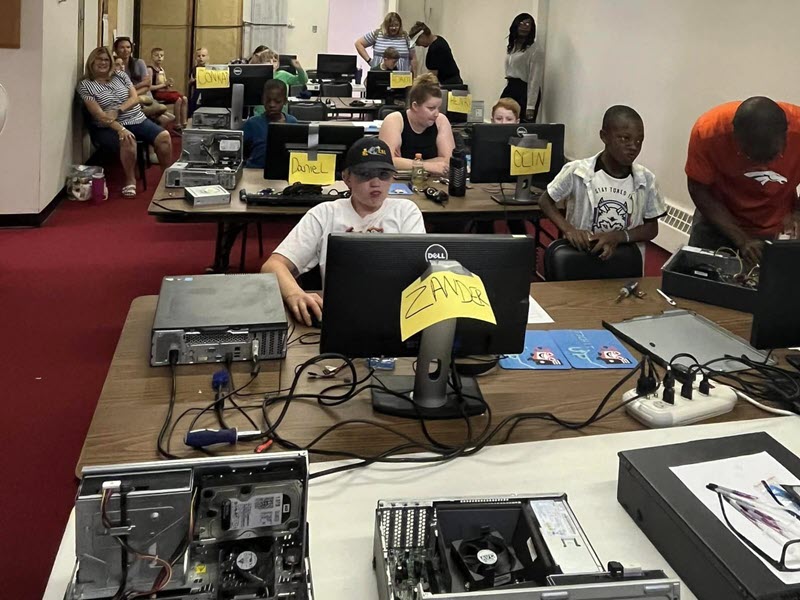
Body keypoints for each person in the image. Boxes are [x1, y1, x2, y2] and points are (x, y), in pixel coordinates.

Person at [261, 137, 426, 325]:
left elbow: (419, 270)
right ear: (347, 178)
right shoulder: (325, 214)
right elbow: (272, 266)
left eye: (384, 174)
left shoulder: (406, 211)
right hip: (339, 315)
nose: (376, 182)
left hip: (396, 313)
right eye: (365, 174)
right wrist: (294, 294)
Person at [538, 105, 666, 262]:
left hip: (624, 260)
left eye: (639, 141)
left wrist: (618, 236)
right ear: (604, 136)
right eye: (625, 139)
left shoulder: (646, 179)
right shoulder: (577, 171)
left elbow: (651, 228)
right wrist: (569, 229)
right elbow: (545, 201)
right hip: (581, 256)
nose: (633, 146)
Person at [686, 97, 800, 264]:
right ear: (735, 137)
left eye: (772, 156)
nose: (763, 167)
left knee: (776, 284)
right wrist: (742, 239)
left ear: (786, 135)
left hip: (777, 221)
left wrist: (797, 213)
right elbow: (698, 189)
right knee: (700, 280)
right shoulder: (708, 131)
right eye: (750, 156)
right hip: (719, 220)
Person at [77, 47, 172, 198]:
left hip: (136, 118)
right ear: (91, 61)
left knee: (164, 136)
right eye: (99, 59)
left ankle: (167, 177)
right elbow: (99, 114)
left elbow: (134, 98)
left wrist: (118, 110)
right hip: (108, 126)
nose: (103, 62)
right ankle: (130, 180)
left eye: (107, 59)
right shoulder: (85, 85)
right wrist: (120, 129)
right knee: (128, 139)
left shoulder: (120, 75)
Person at [378, 73, 454, 177]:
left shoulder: (441, 120)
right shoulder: (394, 120)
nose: (436, 113)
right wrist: (430, 166)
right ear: (415, 106)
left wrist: (403, 162)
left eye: (438, 108)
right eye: (431, 108)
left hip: (432, 181)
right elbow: (387, 161)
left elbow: (448, 161)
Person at [243, 79, 299, 169]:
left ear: (285, 101)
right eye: (268, 100)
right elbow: (242, 152)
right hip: (255, 172)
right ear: (263, 100)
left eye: (277, 101)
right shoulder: (252, 124)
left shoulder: (292, 123)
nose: (272, 105)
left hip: (284, 173)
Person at [114, 37, 169, 123]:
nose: (125, 50)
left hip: (143, 96)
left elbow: (147, 84)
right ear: (116, 50)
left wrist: (133, 89)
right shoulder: (114, 65)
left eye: (128, 47)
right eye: (122, 47)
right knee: (164, 118)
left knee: (164, 111)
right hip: (125, 99)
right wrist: (136, 88)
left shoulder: (139, 62)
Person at [501, 13, 543, 122]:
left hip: (524, 91)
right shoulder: (512, 46)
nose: (524, 26)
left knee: (522, 126)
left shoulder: (534, 50)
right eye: (521, 23)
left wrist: (530, 106)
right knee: (502, 119)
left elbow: (534, 80)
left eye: (528, 24)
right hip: (510, 87)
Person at [250, 49, 309, 116]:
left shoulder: (283, 74)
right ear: (261, 63)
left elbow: (303, 80)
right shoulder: (257, 76)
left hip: (281, 114)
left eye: (275, 61)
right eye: (268, 61)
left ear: (278, 64)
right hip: (260, 113)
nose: (272, 63)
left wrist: (299, 69)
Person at [148, 47, 188, 130]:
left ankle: (184, 122)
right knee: (178, 99)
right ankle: (177, 124)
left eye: (161, 55)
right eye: (156, 55)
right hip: (155, 93)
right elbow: (149, 87)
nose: (159, 57)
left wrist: (168, 84)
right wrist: (164, 85)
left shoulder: (161, 69)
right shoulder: (150, 69)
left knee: (184, 98)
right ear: (152, 57)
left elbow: (164, 83)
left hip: (163, 91)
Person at [188, 47, 209, 115]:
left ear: (207, 57)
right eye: (198, 56)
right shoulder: (194, 69)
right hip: (197, 92)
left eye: (203, 56)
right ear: (196, 58)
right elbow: (190, 82)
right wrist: (191, 81)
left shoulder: (211, 69)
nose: (201, 58)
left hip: (208, 93)